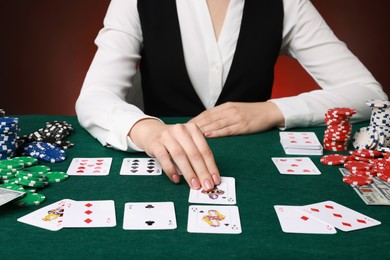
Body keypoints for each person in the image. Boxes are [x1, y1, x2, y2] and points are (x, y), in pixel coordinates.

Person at [76, 0, 388, 191]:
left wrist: (272, 110)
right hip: (162, 177)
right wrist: (146, 129)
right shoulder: (133, 1)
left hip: (257, 179)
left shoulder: (287, 3)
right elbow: (94, 97)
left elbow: (369, 93)